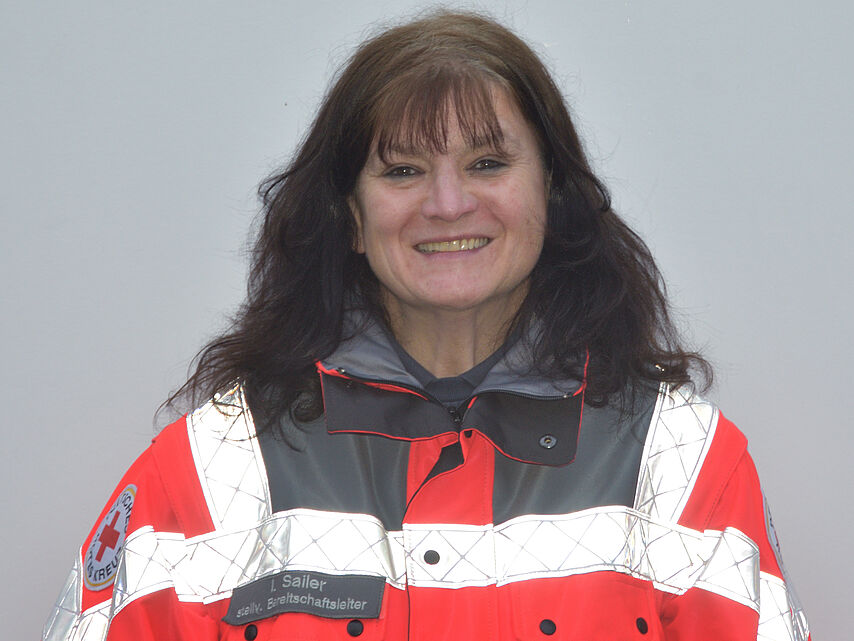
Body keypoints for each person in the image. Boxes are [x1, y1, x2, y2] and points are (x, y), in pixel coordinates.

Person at [43, 10, 809, 641]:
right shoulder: (208, 472)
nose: (447, 204)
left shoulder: (682, 465)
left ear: (551, 193)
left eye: (487, 163)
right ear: (350, 215)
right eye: (403, 170)